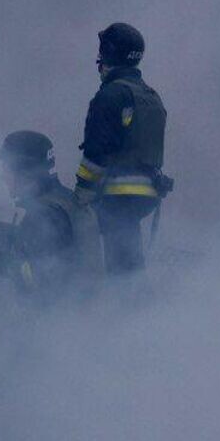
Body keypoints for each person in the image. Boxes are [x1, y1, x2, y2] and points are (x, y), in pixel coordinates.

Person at [74, 23, 168, 274]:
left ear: (110, 53)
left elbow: (96, 152)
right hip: (145, 195)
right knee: (128, 257)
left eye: (102, 53)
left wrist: (81, 195)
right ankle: (135, 303)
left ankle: (119, 306)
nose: (99, 61)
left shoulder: (110, 95)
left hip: (117, 194)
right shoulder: (149, 95)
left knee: (114, 264)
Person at [0, 131, 103, 304]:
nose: (2, 177)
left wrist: (6, 262)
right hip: (84, 315)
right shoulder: (69, 202)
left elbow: (46, 282)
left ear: (24, 172)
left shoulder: (44, 216)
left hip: (60, 321)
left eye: (6, 168)